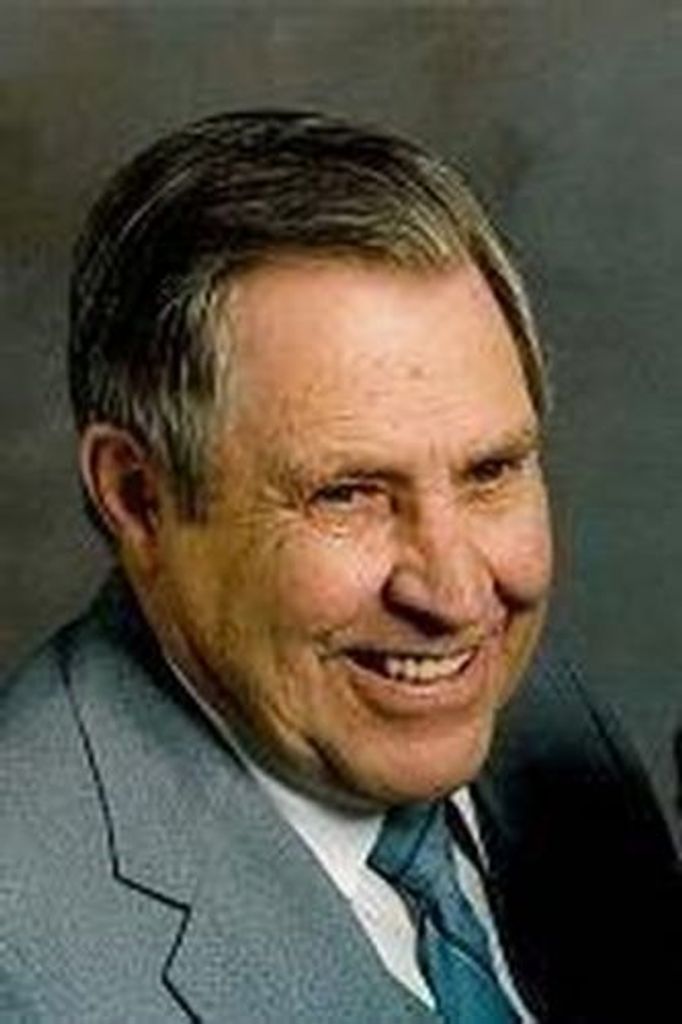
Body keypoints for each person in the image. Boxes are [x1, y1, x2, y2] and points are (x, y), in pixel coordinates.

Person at [0, 111, 678, 1024]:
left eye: (490, 472)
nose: (457, 597)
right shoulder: (26, 959)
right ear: (139, 497)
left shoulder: (538, 716)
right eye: (348, 493)